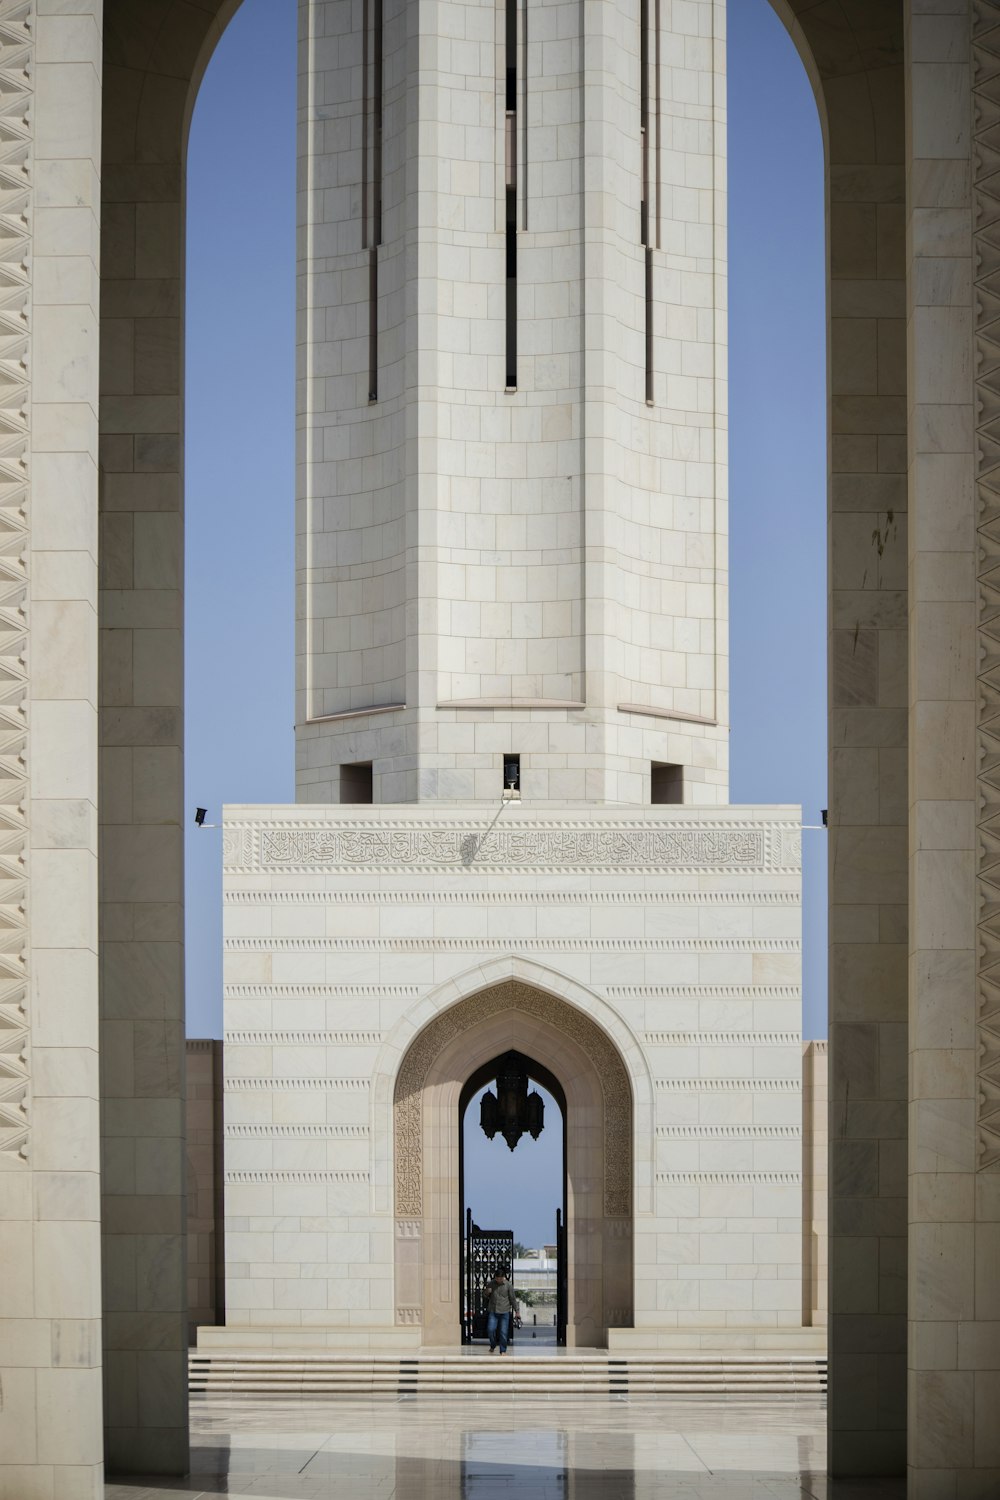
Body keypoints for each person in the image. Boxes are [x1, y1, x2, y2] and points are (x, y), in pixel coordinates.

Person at [486, 1266, 517, 1355]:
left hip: (504, 1311)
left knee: (503, 1332)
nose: (499, 1280)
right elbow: (485, 1295)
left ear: (504, 1277)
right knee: (490, 1330)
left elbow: (512, 1298)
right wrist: (487, 1292)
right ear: (495, 1277)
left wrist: (517, 1311)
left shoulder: (508, 1285)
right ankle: (493, 1344)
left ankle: (503, 1350)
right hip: (493, 1310)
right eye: (497, 1278)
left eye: (500, 1278)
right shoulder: (491, 1284)